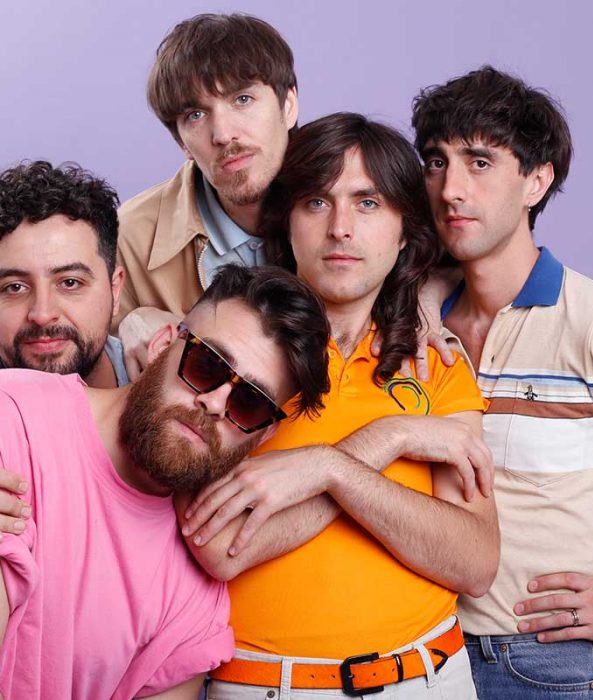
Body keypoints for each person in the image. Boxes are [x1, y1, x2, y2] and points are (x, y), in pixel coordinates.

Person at [178, 113, 499, 699]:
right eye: (317, 203)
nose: (341, 229)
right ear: (288, 223)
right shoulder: (233, 350)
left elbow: (475, 563)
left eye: (368, 203)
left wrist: (329, 468)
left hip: (430, 679)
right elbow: (220, 548)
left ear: (404, 233)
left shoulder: (435, 365)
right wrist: (383, 441)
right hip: (270, 686)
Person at [411, 65, 593, 698]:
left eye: (480, 162)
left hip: (540, 667)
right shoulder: (413, 319)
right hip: (421, 658)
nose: (451, 189)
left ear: (537, 181)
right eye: (435, 162)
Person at [0, 264, 330, 699]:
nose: (214, 403)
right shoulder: (13, 416)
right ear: (160, 346)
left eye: (250, 402)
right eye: (207, 364)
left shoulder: (197, 603)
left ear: (263, 434)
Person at [116, 13, 299, 378]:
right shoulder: (130, 236)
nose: (223, 134)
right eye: (196, 114)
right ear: (181, 142)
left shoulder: (351, 200)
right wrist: (128, 324)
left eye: (242, 99)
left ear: (288, 105)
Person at [0, 160, 128, 388]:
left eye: (70, 283)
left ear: (115, 291)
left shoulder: (168, 387)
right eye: (15, 287)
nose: (42, 315)